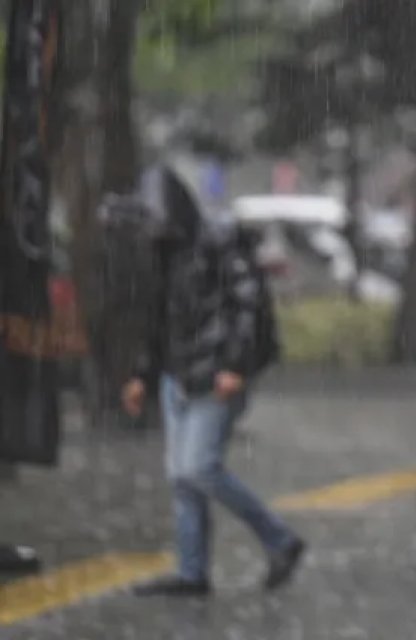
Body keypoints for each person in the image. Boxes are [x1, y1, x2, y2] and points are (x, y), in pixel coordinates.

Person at [120, 165, 305, 597]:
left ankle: (279, 539)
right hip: (178, 374)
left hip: (216, 373)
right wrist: (142, 374)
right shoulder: (165, 253)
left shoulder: (221, 242)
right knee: (183, 478)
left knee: (198, 467)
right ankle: (192, 571)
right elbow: (160, 319)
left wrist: (235, 366)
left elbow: (248, 305)